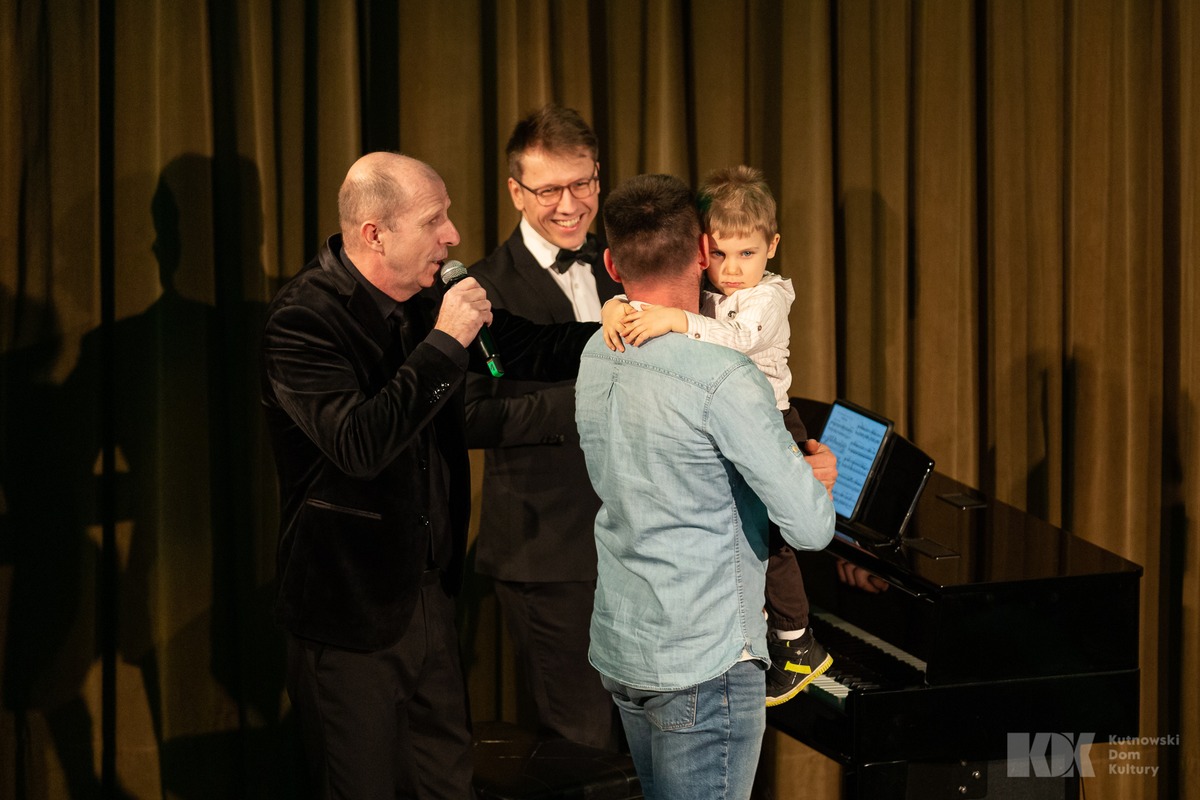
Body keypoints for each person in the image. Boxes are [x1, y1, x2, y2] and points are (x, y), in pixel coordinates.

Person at [260, 152, 597, 799]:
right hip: (349, 610)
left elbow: (529, 346)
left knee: (447, 782)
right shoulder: (303, 320)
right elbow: (360, 444)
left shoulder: (427, 294)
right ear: (375, 234)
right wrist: (445, 343)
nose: (453, 235)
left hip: (429, 599)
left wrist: (627, 332)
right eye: (434, 220)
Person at [574, 173, 837, 800]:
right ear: (701, 251)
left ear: (610, 265)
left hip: (625, 645)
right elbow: (810, 528)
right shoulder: (723, 375)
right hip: (704, 662)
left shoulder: (595, 351)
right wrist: (801, 475)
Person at [464, 104, 620, 749]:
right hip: (550, 554)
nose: (569, 204)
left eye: (581, 183)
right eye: (549, 189)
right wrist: (591, 394)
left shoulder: (625, 261)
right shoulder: (480, 289)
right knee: (581, 746)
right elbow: (472, 415)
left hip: (643, 547)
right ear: (516, 191)